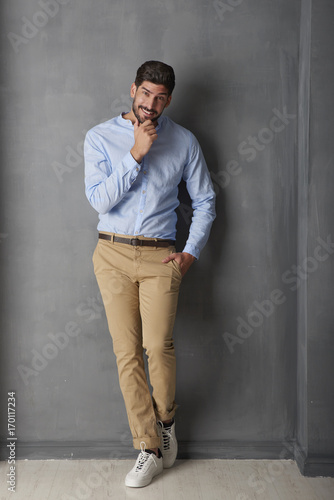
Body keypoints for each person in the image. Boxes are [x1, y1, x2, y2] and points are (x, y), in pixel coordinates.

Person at [84, 60, 216, 488]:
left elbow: (206, 201)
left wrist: (190, 254)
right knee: (127, 354)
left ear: (169, 100)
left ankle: (165, 422)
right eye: (145, 94)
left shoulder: (184, 141)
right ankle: (147, 448)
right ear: (133, 91)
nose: (151, 105)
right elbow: (100, 201)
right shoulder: (100, 137)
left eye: (160, 98)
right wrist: (136, 152)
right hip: (112, 254)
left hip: (161, 259)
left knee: (157, 346)